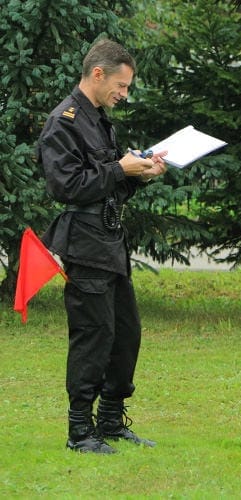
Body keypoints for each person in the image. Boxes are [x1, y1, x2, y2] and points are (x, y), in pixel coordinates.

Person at [38, 38, 167, 453]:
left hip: (111, 243)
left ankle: (111, 421)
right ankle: (80, 431)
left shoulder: (98, 119)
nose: (124, 94)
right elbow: (68, 187)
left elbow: (107, 187)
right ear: (98, 74)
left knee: (125, 334)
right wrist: (119, 168)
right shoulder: (65, 121)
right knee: (93, 336)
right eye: (122, 85)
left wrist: (137, 175)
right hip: (85, 244)